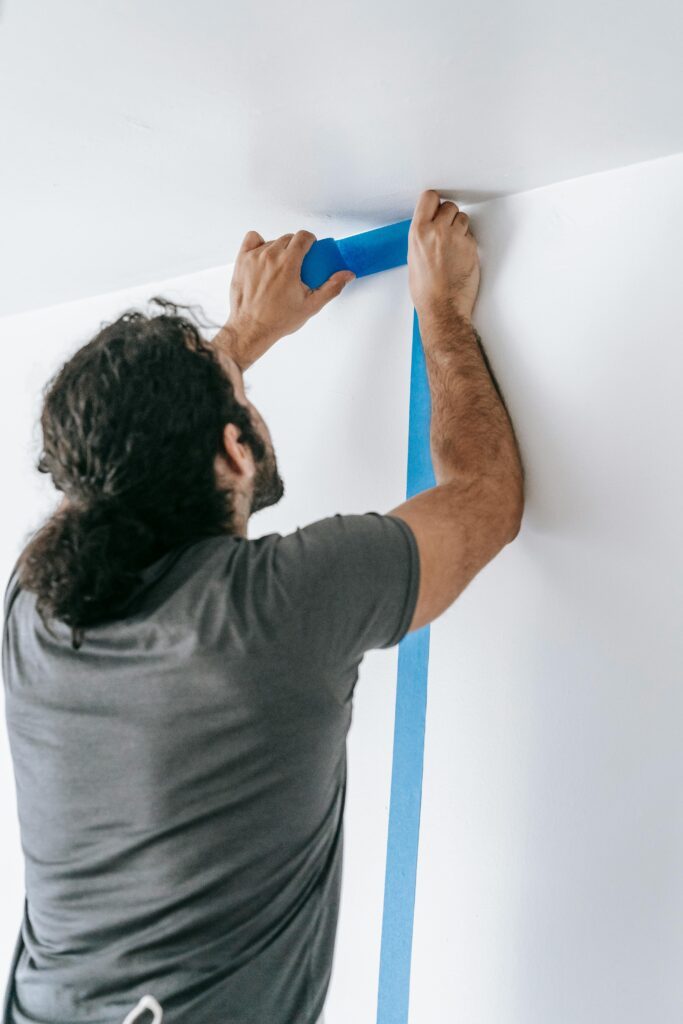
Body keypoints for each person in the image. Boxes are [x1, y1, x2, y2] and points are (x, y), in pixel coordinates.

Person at [2, 190, 524, 1024]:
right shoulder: (275, 612)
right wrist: (441, 315)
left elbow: (119, 463)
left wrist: (243, 336)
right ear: (235, 452)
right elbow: (486, 497)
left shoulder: (38, 606)